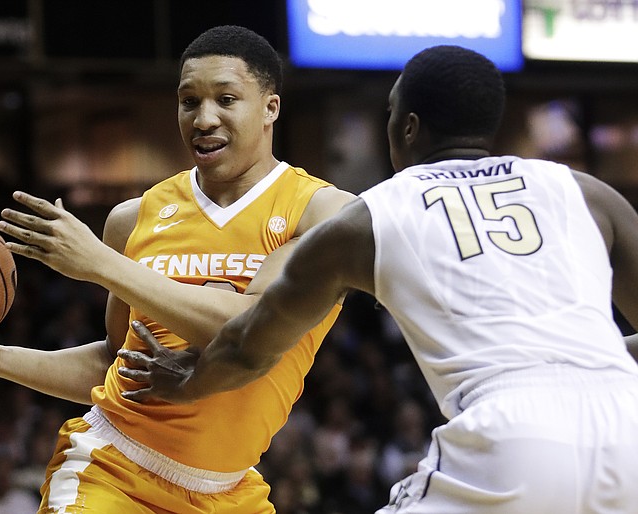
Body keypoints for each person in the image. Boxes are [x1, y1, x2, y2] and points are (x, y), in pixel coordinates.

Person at [118, 45, 638, 513]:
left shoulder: (370, 216)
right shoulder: (584, 192)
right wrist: (597, 364)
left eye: (389, 113)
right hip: (627, 421)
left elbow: (250, 348)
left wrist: (187, 386)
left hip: (509, 432)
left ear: (407, 128)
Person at [0, 25, 355, 513]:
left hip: (230, 491)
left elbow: (248, 328)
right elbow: (113, 362)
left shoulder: (322, 213)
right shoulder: (134, 218)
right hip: (113, 471)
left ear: (270, 108)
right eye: (189, 101)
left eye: (226, 99)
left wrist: (101, 264)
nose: (204, 118)